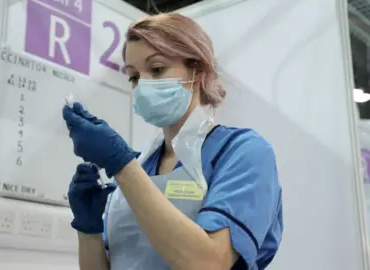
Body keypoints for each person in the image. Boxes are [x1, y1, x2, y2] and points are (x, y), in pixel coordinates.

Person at [62, 13, 283, 270]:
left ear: (198, 70)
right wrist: (89, 231)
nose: (143, 85)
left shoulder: (242, 153)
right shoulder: (139, 168)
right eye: (134, 77)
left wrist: (121, 166)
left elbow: (210, 263)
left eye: (156, 69)